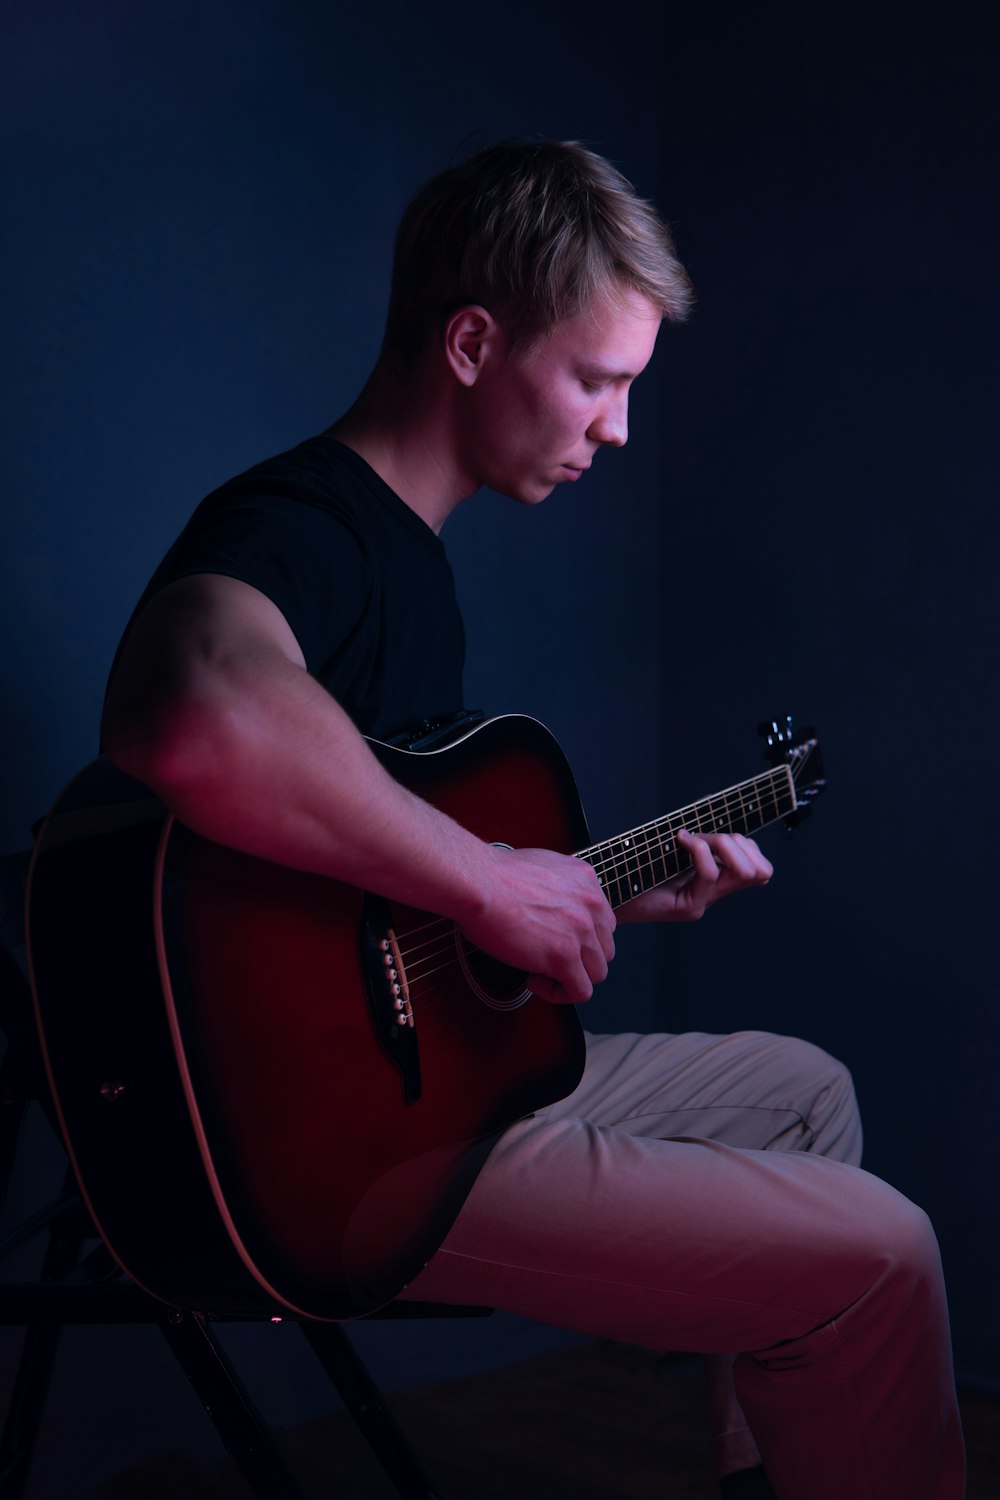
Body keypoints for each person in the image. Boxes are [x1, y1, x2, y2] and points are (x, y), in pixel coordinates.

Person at [101, 141, 965, 1499]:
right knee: (887, 1253)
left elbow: (376, 915)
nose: (618, 428)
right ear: (469, 341)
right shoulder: (303, 524)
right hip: (348, 1163)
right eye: (597, 379)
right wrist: (491, 885)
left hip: (442, 1099)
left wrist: (586, 891)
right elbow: (191, 705)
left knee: (807, 1095)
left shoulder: (418, 569)